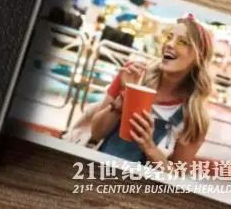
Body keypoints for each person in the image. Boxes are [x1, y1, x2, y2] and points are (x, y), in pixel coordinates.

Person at [89, 15, 213, 165]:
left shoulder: (194, 116)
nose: (169, 44)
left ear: (199, 57)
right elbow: (96, 133)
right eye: (169, 37)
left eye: (182, 42)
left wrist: (149, 147)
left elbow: (176, 173)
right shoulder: (133, 74)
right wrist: (124, 97)